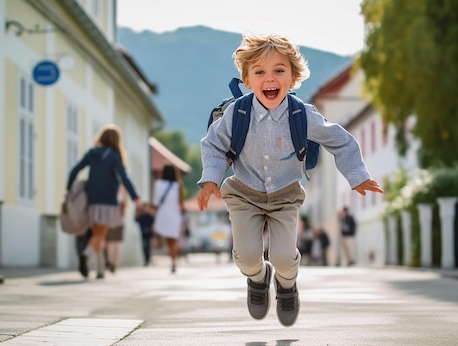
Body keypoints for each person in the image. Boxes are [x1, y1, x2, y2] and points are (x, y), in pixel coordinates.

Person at [197, 33, 383, 327]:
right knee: (246, 257)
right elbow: (213, 144)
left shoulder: (302, 115)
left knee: (285, 258)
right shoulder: (237, 114)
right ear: (247, 80)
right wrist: (210, 179)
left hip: (285, 195)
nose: (269, 79)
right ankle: (259, 279)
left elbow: (340, 140)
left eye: (279, 70)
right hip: (244, 193)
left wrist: (357, 176)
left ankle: (286, 285)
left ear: (293, 76)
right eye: (259, 72)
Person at [66, 124, 142, 279]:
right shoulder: (114, 155)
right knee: (100, 235)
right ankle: (85, 255)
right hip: (108, 201)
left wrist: (69, 188)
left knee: (97, 233)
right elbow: (124, 178)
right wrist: (135, 197)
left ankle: (100, 270)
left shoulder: (92, 153)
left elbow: (75, 169)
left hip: (92, 200)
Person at [152, 165, 185, 274]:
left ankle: (158, 244)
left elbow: (156, 202)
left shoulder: (158, 184)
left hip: (162, 214)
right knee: (172, 241)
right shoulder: (178, 186)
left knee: (161, 235)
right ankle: (173, 261)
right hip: (174, 215)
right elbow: (181, 204)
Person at [104, 186, 128, 275]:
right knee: (116, 243)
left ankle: (112, 263)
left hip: (110, 220)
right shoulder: (122, 190)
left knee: (112, 242)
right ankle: (114, 263)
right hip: (118, 220)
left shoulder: (109, 188)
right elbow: (125, 206)